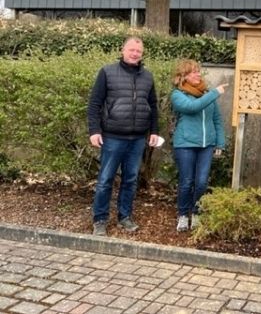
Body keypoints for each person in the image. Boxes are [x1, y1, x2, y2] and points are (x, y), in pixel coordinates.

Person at [88, 36, 160, 236]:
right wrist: (94, 130)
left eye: (139, 51)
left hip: (137, 139)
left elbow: (153, 106)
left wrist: (154, 131)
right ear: (123, 50)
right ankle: (100, 219)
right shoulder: (107, 72)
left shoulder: (147, 76)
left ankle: (124, 216)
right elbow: (95, 103)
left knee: (130, 179)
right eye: (131, 50)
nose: (135, 53)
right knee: (105, 180)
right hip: (112, 137)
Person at [171, 59, 228, 232]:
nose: (197, 74)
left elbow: (217, 120)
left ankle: (196, 213)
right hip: (185, 144)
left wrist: (220, 142)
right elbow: (192, 107)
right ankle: (182, 215)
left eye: (198, 71)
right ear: (183, 77)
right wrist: (215, 93)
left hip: (207, 145)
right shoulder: (178, 95)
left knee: (202, 183)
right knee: (187, 181)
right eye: (193, 72)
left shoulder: (207, 93)